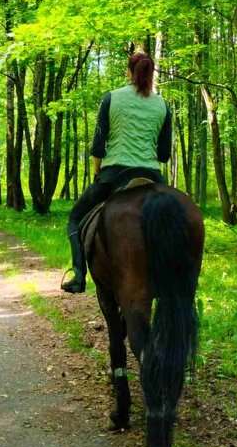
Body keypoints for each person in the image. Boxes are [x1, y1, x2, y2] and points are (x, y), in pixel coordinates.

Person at [61, 51, 172, 294]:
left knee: (75, 218)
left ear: (128, 71)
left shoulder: (111, 98)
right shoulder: (162, 105)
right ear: (151, 74)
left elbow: (98, 147)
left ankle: (79, 275)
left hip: (114, 175)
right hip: (153, 177)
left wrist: (97, 174)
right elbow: (164, 155)